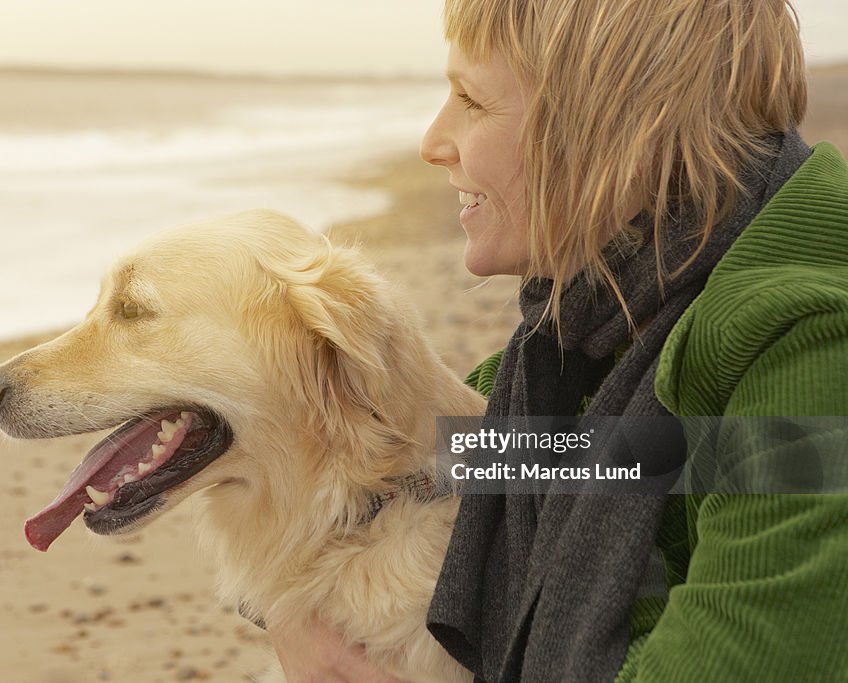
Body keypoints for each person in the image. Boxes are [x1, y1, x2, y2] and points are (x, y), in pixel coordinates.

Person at [272, 0, 848, 681]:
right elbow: (416, 461)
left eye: (470, 100)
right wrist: (285, 616)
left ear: (614, 126)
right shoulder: (596, 337)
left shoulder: (809, 348)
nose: (433, 140)